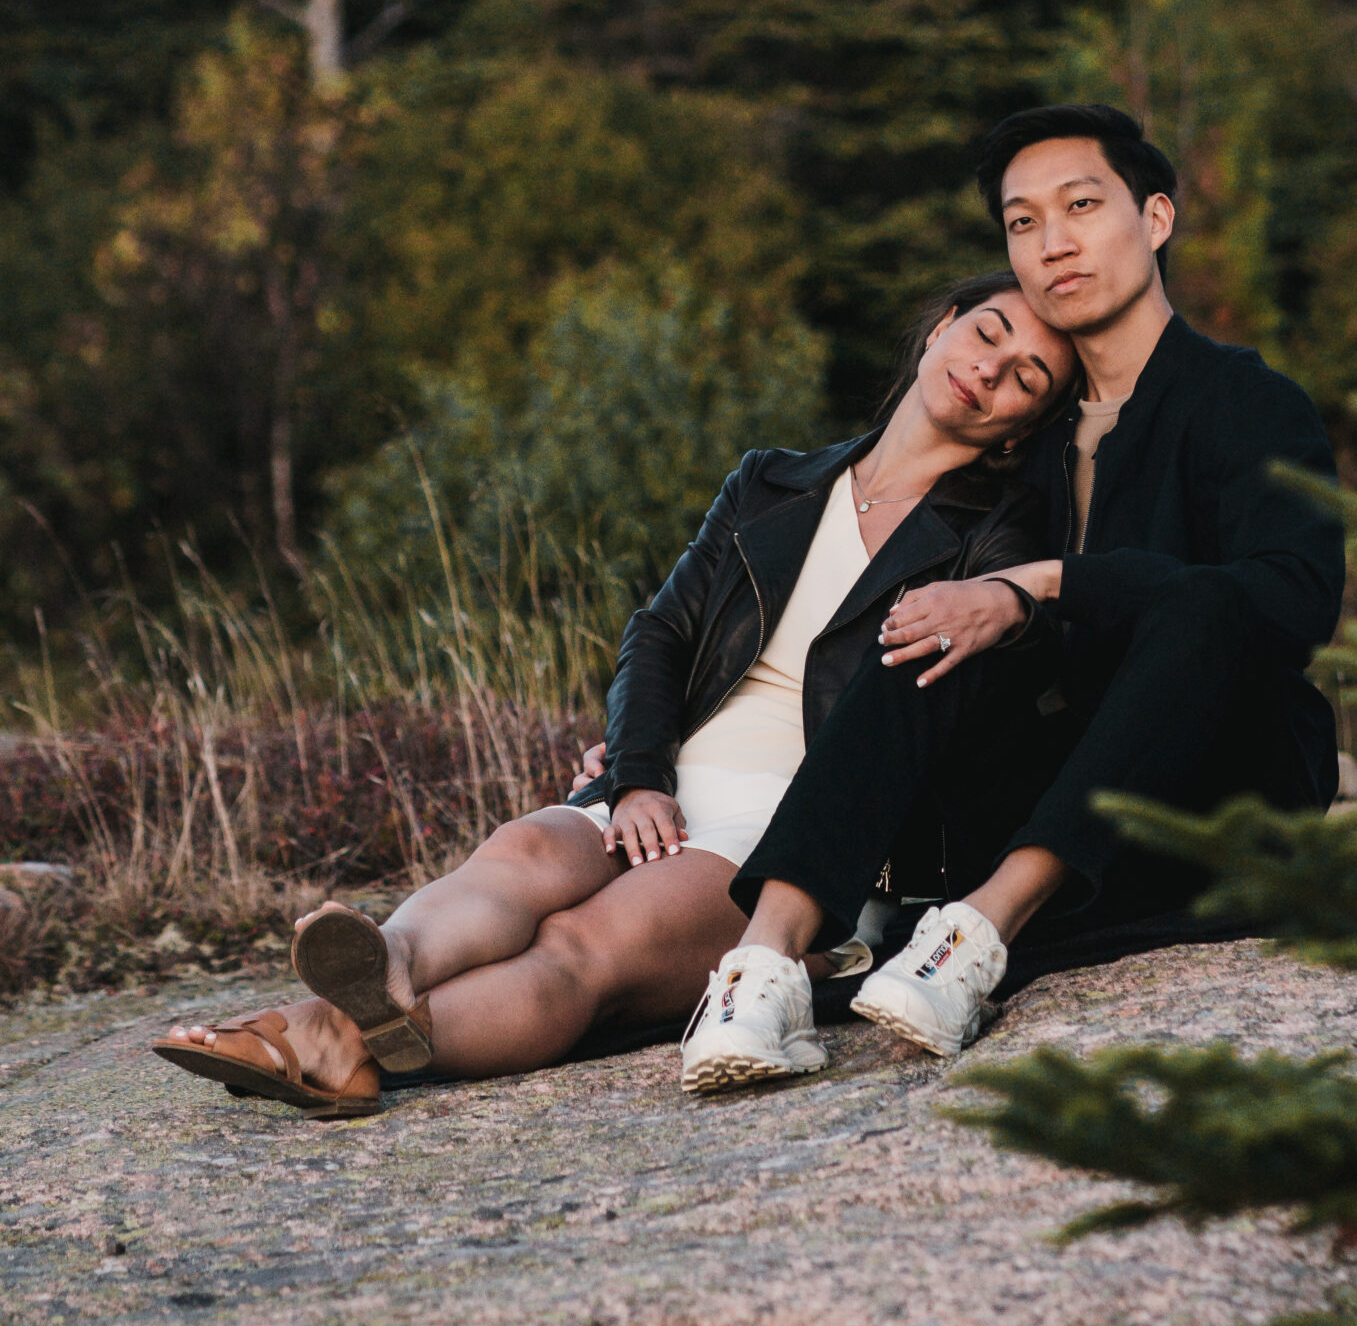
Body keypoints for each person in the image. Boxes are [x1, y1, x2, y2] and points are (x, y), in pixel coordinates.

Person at [152, 270, 1077, 1116]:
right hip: (670, 775)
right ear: (941, 328)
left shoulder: (998, 537)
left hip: (798, 823)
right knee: (519, 854)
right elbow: (660, 633)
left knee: (583, 945)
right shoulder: (772, 482)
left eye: (1024, 379)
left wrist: (1014, 602)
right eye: (986, 335)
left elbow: (1000, 676)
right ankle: (388, 963)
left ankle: (333, 1039)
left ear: (1022, 428)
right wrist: (637, 776)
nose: (988, 371)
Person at [681, 102, 1344, 1081]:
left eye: (1081, 206)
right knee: (937, 623)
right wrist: (670, 728)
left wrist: (1037, 584)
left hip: (1217, 795)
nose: (1052, 243)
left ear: (1156, 218)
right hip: (1051, 803)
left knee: (1206, 603)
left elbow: (1294, 601)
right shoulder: (1025, 438)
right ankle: (763, 966)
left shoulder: (1246, 401)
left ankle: (979, 937)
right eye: (1022, 222)